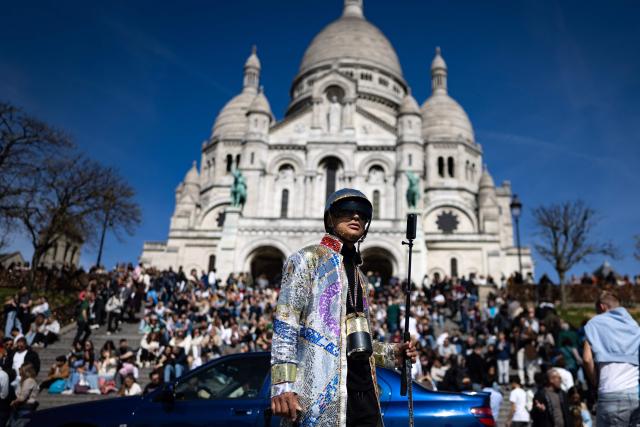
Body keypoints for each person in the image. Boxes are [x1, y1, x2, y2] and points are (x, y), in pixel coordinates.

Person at [270, 188, 417, 426]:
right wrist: (282, 386)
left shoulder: (361, 278)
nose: (356, 217)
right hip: (320, 395)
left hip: (365, 394)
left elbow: (354, 342)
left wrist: (393, 353)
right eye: (346, 210)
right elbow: (285, 326)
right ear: (330, 218)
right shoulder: (307, 259)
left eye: (363, 213)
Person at [583, 291, 640, 427]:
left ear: (602, 307)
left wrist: (595, 380)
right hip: (634, 395)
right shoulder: (635, 326)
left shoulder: (594, 323)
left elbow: (586, 358)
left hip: (610, 394)